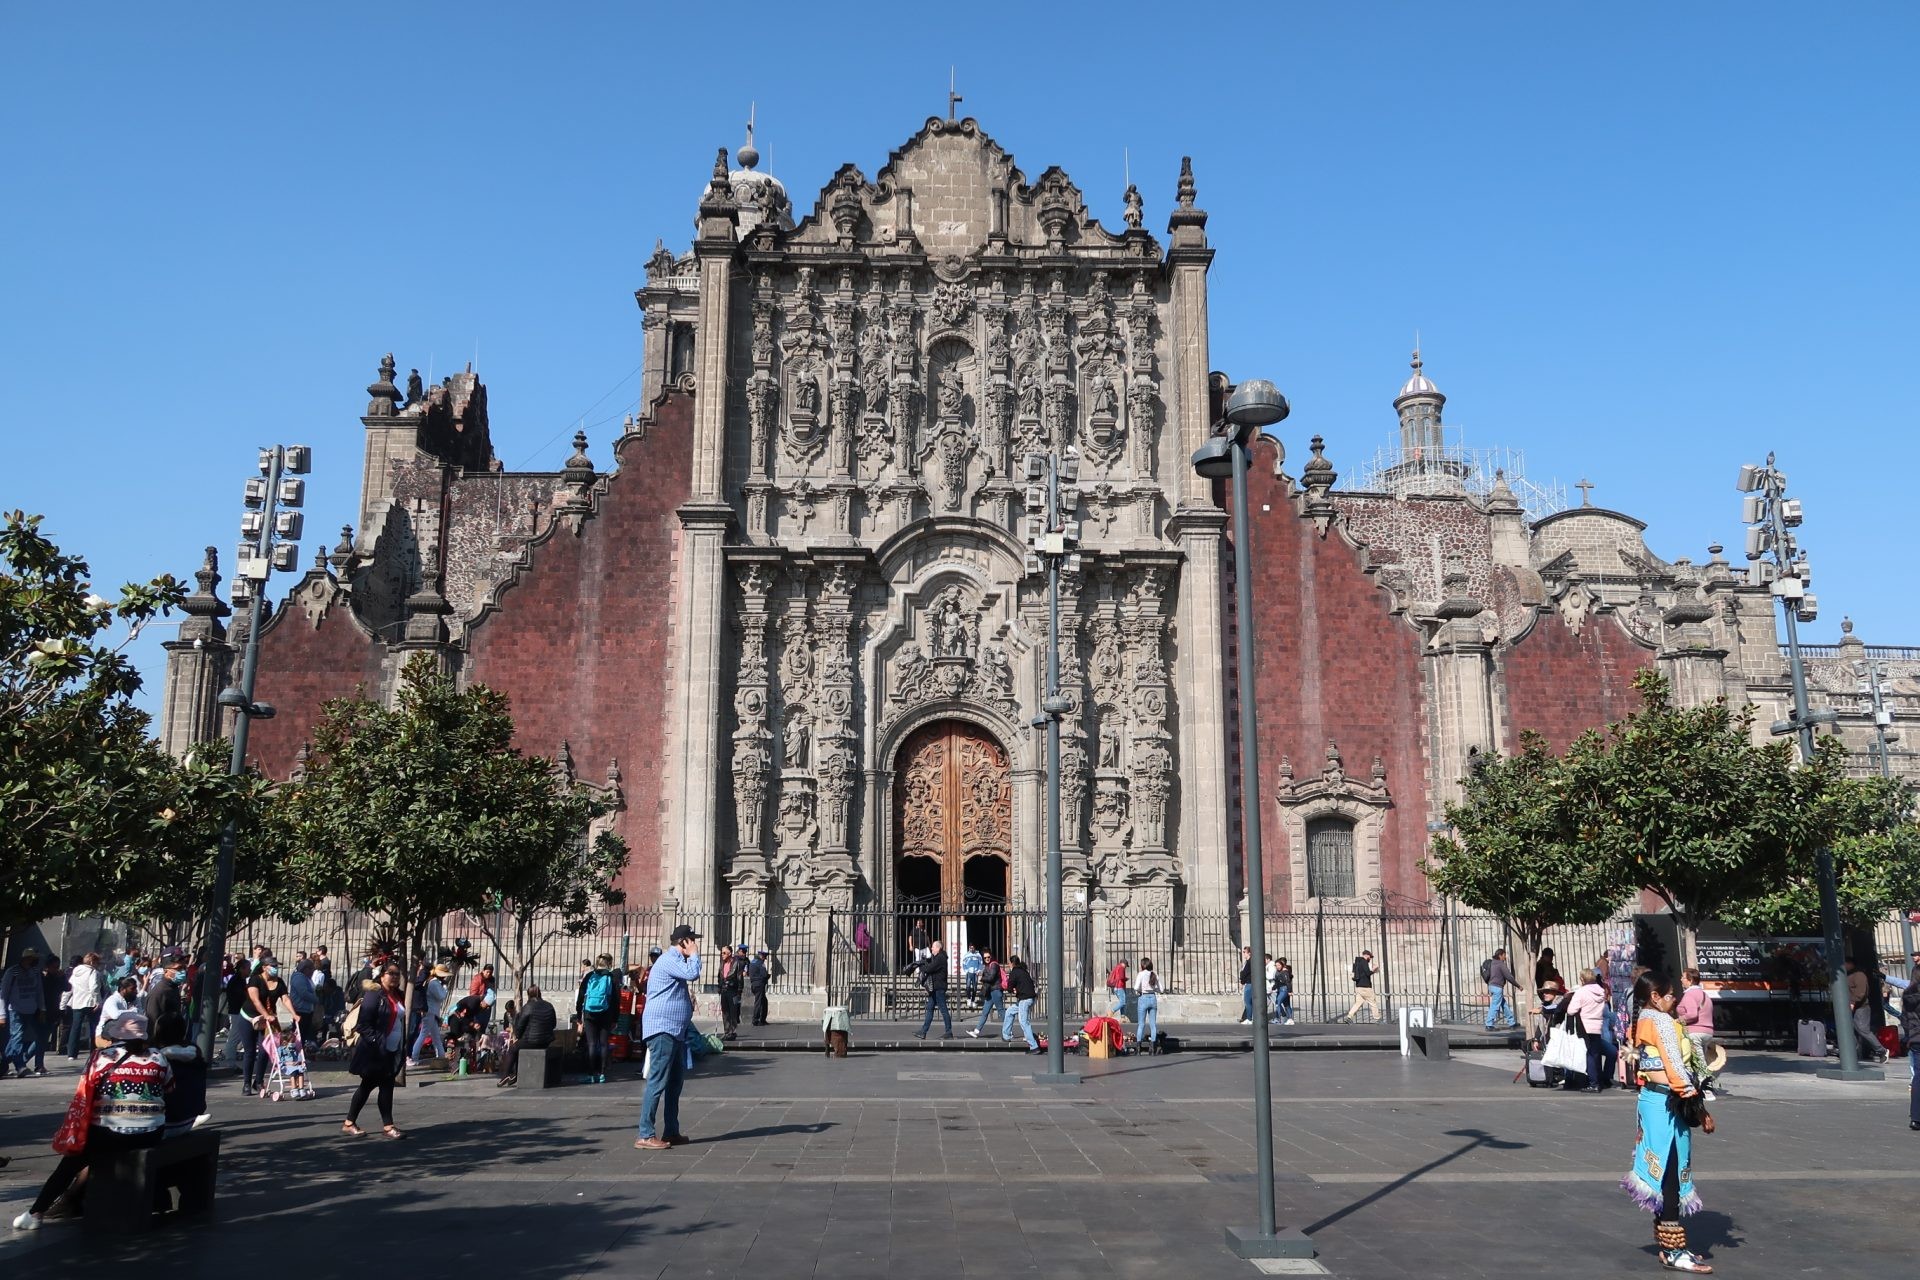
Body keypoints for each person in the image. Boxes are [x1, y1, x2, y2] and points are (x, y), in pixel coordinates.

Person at [11, 1012, 172, 1232]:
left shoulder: (103, 1056)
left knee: (70, 1163)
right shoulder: (158, 1057)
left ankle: (36, 1212)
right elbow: (169, 1088)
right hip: (151, 1131)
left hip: (110, 1132)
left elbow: (85, 1092)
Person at [1623, 973, 1713, 1273]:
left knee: (1663, 1171)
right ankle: (1674, 1250)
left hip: (1652, 1102)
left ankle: (1668, 1245)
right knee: (1672, 1173)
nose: (1675, 999)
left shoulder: (1642, 1019)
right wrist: (1695, 1101)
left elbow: (1649, 1064)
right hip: (1667, 1103)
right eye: (1670, 994)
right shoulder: (1660, 1021)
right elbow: (1673, 1065)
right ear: (1655, 997)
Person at [635, 924, 702, 1150]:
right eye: (692, 940)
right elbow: (693, 973)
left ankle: (671, 1131)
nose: (694, 944)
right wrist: (694, 954)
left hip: (674, 1030)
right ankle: (645, 1134)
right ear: (683, 942)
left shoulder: (674, 962)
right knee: (658, 1081)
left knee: (674, 1083)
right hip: (663, 1029)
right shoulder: (669, 959)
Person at [343, 964, 406, 1139]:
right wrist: (376, 1042)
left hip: (390, 1049)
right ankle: (386, 1126)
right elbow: (364, 1024)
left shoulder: (396, 995)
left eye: (397, 974)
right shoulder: (374, 995)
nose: (394, 977)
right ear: (382, 975)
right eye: (391, 973)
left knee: (376, 1087)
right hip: (376, 1051)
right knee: (375, 1087)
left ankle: (351, 1123)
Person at [244, 958, 293, 1096]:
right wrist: (265, 1014)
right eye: (273, 966)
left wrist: (294, 1014)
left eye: (276, 966)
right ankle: (246, 1083)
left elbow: (285, 999)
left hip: (268, 1018)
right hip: (250, 1016)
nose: (275, 968)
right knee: (250, 1051)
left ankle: (258, 1081)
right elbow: (255, 1000)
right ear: (264, 967)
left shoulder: (279, 981)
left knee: (265, 1049)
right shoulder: (255, 979)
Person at [2, 948, 50, 1077]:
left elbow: (39, 992)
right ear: (27, 958)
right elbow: (3, 994)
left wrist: (42, 1008)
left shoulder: (35, 972)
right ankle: (20, 1066)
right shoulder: (12, 972)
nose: (36, 961)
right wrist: (2, 1014)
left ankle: (3, 1063)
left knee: (24, 1037)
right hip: (16, 1010)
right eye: (34, 958)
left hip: (31, 1009)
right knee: (17, 1036)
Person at [498, 985, 557, 1087]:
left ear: (529, 995)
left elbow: (519, 1027)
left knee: (513, 1049)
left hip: (531, 1040)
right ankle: (515, 1074)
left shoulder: (528, 1006)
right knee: (518, 1047)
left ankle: (505, 1075)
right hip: (546, 1041)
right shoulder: (549, 1005)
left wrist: (519, 1037)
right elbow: (553, 1024)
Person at [1566, 968, 1613, 1092]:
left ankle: (1593, 1083)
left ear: (1582, 979)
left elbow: (1571, 1010)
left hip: (1584, 1026)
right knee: (1595, 1054)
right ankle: (1599, 1080)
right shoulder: (1601, 992)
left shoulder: (1581, 992)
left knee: (1590, 1055)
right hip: (1597, 1025)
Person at [579, 953, 620, 1079]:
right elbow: (616, 1000)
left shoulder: (590, 976)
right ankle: (602, 1073)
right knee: (603, 1043)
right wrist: (615, 1018)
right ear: (609, 963)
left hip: (589, 1012)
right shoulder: (611, 977)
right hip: (606, 1013)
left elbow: (581, 995)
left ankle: (591, 1073)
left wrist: (578, 1013)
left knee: (591, 1043)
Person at [1844, 957, 1887, 1064]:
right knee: (1852, 1030)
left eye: (1845, 963)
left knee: (1863, 1029)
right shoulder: (1846, 975)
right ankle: (1855, 1052)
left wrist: (1853, 1002)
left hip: (1861, 1007)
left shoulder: (1859, 975)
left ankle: (1881, 1050)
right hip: (1850, 1006)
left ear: (1851, 964)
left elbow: (1861, 992)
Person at [1676, 968, 1717, 1077]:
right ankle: (1701, 1085)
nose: (1681, 979)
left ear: (1690, 980)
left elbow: (1692, 1014)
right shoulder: (1704, 994)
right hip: (1707, 1032)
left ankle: (1707, 1088)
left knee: (1699, 1063)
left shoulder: (1690, 994)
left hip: (1695, 1032)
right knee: (1700, 1061)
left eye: (1683, 977)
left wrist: (1678, 1020)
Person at [64, 952, 105, 1060]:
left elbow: (71, 984)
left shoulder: (76, 971)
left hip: (77, 1001)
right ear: (92, 962)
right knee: (94, 1026)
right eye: (97, 962)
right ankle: (94, 1050)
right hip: (90, 1002)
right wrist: (98, 1002)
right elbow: (94, 988)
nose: (98, 965)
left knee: (75, 1027)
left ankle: (71, 1053)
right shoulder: (93, 972)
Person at [910, 940, 952, 1039]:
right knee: (929, 1009)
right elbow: (930, 966)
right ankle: (923, 1031)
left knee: (943, 1010)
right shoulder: (937, 957)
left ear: (938, 948)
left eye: (933, 947)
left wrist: (921, 966)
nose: (931, 948)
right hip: (934, 988)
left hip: (939, 988)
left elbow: (929, 968)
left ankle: (949, 1032)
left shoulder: (940, 958)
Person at [1003, 955, 1041, 1054]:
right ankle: (1006, 1035)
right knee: (1009, 1012)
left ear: (1012, 963)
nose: (1008, 965)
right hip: (1027, 998)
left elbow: (1010, 986)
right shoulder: (1024, 971)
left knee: (1023, 1022)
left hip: (1024, 999)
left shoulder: (1014, 972)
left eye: (1009, 963)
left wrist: (1011, 989)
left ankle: (1034, 1047)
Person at [968, 950, 1004, 1038]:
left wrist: (982, 978)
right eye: (985, 958)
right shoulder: (987, 966)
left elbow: (991, 978)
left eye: (988, 957)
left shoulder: (994, 965)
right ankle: (976, 1031)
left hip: (996, 990)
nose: (987, 959)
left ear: (991, 956)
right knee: (985, 1012)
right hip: (990, 992)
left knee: (1001, 1011)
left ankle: (1009, 1031)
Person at [1902, 971, 1919, 1132]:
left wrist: (1909, 1035)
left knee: (1918, 1077)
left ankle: (1916, 1117)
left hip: (1915, 1038)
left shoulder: (1908, 994)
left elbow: (1904, 1019)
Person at [1484, 948, 1518, 1030]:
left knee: (1504, 1005)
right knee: (1495, 1006)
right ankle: (1489, 1024)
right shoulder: (1500, 964)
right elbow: (1509, 977)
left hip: (1491, 986)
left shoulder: (1492, 963)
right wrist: (1518, 985)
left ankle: (1512, 1022)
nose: (1505, 957)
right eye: (1504, 955)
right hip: (1497, 987)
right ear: (1500, 955)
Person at [1342, 950, 1379, 1024]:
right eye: (1370, 957)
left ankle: (1349, 1017)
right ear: (1367, 955)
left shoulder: (1357, 962)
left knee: (1358, 1003)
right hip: (1365, 987)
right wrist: (1374, 969)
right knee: (1373, 1002)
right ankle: (1378, 1018)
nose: (1370, 958)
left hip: (1359, 986)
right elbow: (1367, 973)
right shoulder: (1364, 962)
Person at [717, 946, 746, 1042]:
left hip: (732, 990)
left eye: (724, 953)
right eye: (722, 953)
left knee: (733, 1011)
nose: (722, 955)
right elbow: (720, 976)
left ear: (730, 953)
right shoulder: (722, 963)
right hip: (724, 990)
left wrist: (739, 991)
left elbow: (739, 978)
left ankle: (732, 1032)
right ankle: (726, 1031)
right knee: (725, 1011)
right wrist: (719, 986)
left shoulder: (736, 963)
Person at [1134, 956, 1161, 1048]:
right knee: (1153, 1025)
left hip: (1143, 997)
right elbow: (1161, 989)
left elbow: (1136, 987)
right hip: (1153, 997)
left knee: (1141, 1024)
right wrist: (1153, 989)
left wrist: (1142, 989)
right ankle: (1153, 1047)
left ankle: (1138, 1047)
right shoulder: (1154, 974)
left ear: (1142, 965)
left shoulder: (1141, 974)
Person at [747, 949, 771, 1027]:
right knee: (759, 1002)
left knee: (763, 1001)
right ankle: (756, 1020)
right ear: (762, 956)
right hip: (759, 984)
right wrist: (768, 976)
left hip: (754, 984)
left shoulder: (753, 962)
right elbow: (764, 975)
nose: (764, 959)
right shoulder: (760, 963)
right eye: (764, 957)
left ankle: (762, 1019)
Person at [1273, 956, 1296, 1025]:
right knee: (1286, 1004)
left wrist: (1289, 991)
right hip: (1280, 989)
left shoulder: (1285, 971)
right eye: (1276, 965)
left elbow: (1288, 981)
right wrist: (1273, 988)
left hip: (1284, 989)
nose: (1277, 967)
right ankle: (1289, 1019)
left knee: (1278, 1002)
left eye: (1279, 965)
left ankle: (1278, 1018)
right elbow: (1277, 982)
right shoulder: (1278, 971)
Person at [1237, 945, 1255, 1025]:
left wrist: (1242, 981)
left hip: (1249, 983)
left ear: (1249, 953)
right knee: (1249, 1001)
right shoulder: (1248, 962)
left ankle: (1249, 1018)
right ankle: (1249, 1017)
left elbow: (1244, 973)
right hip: (1248, 983)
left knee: (1247, 1001)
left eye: (1244, 952)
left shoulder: (1249, 962)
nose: (1243, 954)